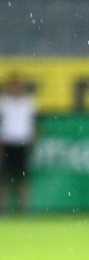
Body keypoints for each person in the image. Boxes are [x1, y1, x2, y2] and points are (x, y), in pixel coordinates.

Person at [0, 75, 37, 214]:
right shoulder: (4, 102)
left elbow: (34, 123)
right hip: (7, 142)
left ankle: (24, 208)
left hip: (22, 142)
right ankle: (3, 208)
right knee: (5, 177)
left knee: (22, 178)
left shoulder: (28, 102)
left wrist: (32, 139)